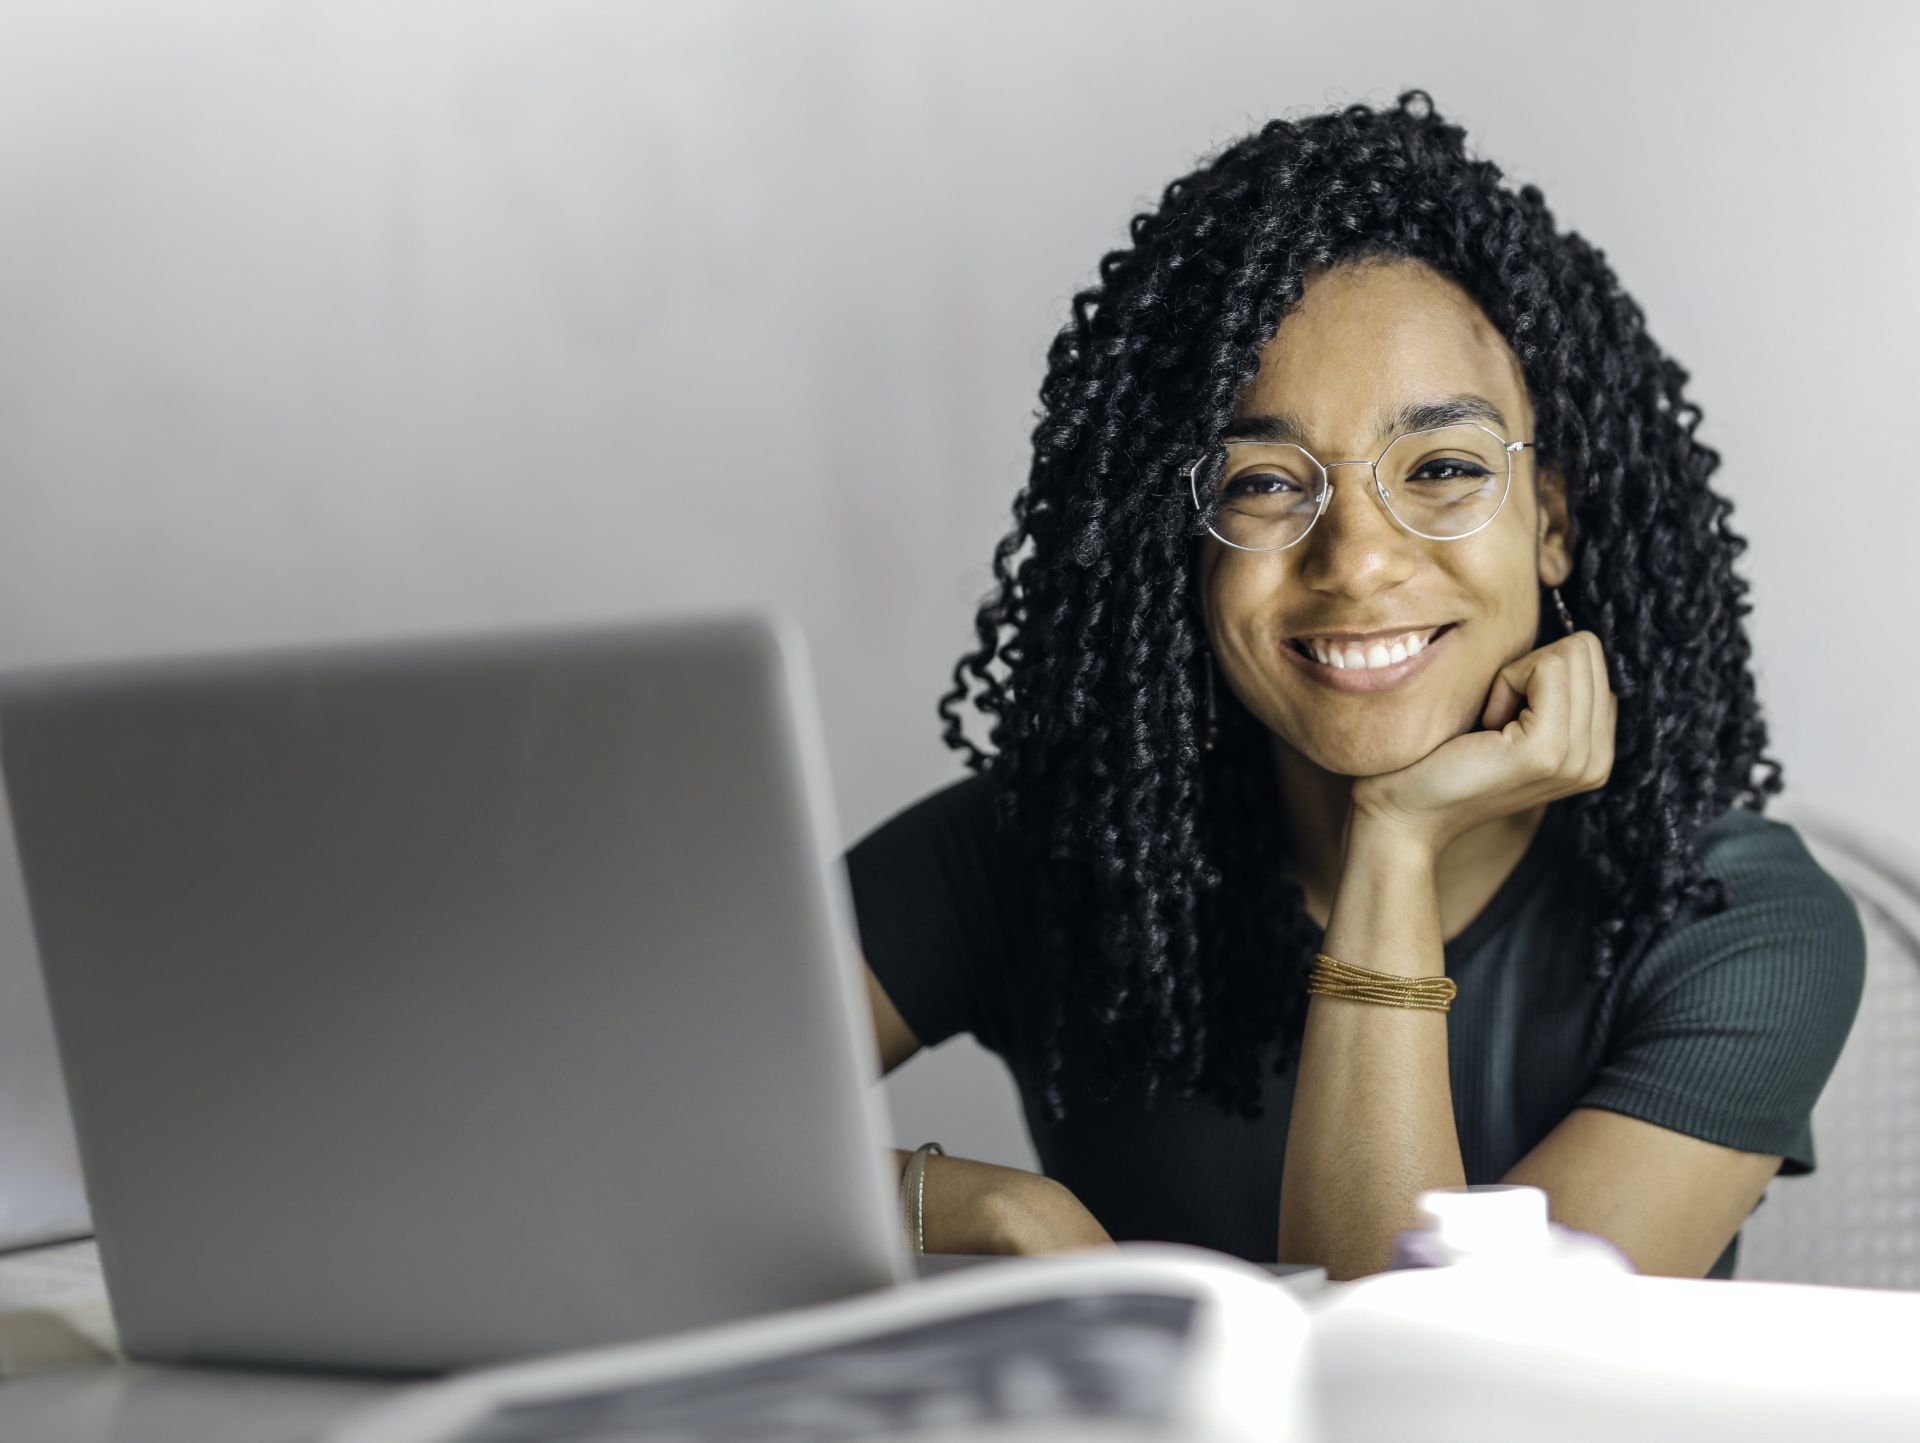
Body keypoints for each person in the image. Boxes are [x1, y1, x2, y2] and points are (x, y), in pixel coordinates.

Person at [842, 90, 1865, 1281]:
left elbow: (1432, 1391)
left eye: (1439, 467)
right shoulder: (1044, 849)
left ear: (1554, 523)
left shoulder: (1732, 922)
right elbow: (602, 1123)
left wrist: (1395, 840)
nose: (1360, 559)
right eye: (1264, 485)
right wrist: (979, 1208)